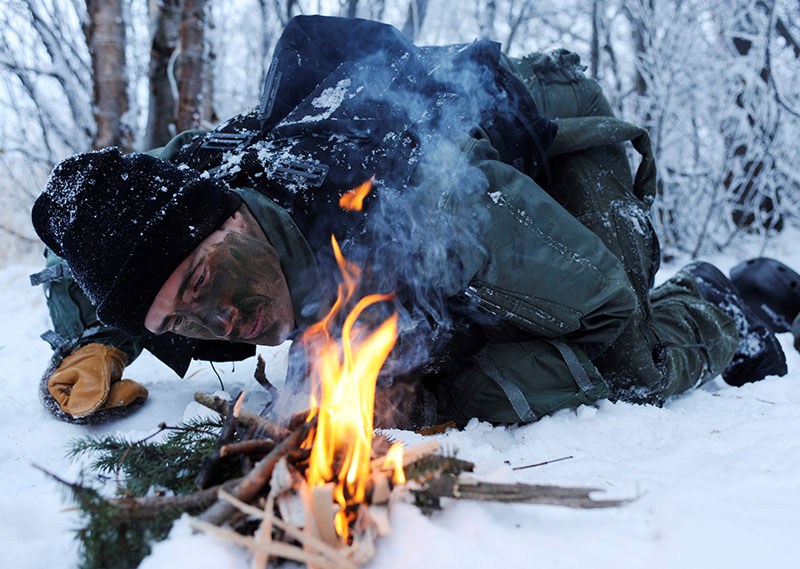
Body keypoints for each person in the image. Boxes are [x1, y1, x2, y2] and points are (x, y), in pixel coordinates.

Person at [30, 15, 798, 427]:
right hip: (436, 199)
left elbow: (600, 300)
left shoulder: (409, 201)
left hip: (549, 151)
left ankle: (727, 299)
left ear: (232, 217)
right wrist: (99, 337)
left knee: (626, 368)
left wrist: (437, 380)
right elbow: (86, 245)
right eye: (178, 319)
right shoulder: (203, 182)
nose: (217, 319)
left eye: (202, 280)